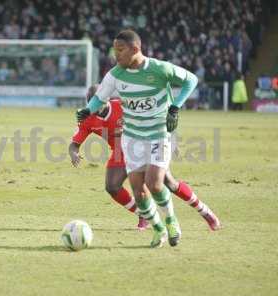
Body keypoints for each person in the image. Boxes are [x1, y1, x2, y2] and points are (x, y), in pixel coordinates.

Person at [76, 29, 197, 248]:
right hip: (132, 137)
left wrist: (175, 107)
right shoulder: (115, 74)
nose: (116, 55)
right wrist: (87, 110)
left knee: (155, 183)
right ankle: (158, 229)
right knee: (139, 190)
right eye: (115, 51)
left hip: (158, 133)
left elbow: (191, 80)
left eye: (120, 50)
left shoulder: (159, 68)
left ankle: (171, 222)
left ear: (135, 49)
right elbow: (99, 98)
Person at [70, 85, 221, 233]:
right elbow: (74, 144)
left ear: (106, 99)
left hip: (146, 143)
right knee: (112, 186)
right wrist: (74, 153)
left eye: (96, 102)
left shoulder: (124, 105)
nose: (93, 107)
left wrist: (171, 138)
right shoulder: (87, 118)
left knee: (169, 183)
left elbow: (157, 115)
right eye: (90, 103)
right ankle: (144, 214)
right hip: (121, 152)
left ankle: (205, 212)